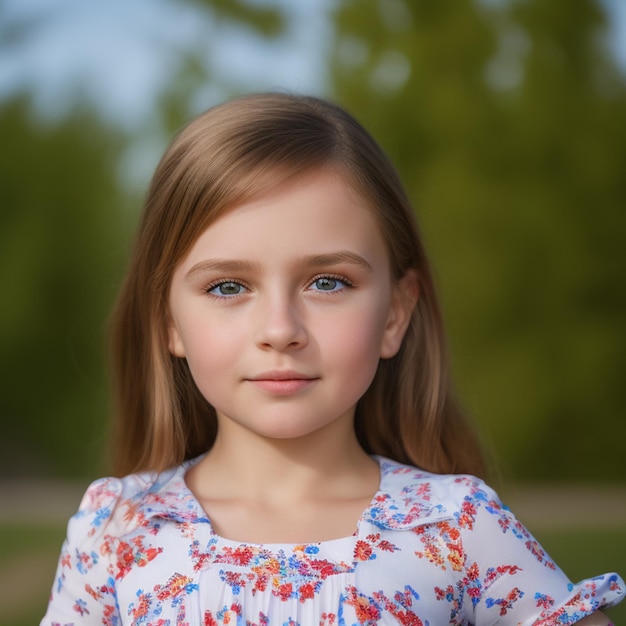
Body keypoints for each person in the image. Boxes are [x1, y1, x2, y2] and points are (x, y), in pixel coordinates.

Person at [41, 93, 623, 625]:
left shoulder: (456, 528)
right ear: (169, 321)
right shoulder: (117, 530)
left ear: (395, 314)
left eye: (327, 281)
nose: (280, 330)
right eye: (227, 287)